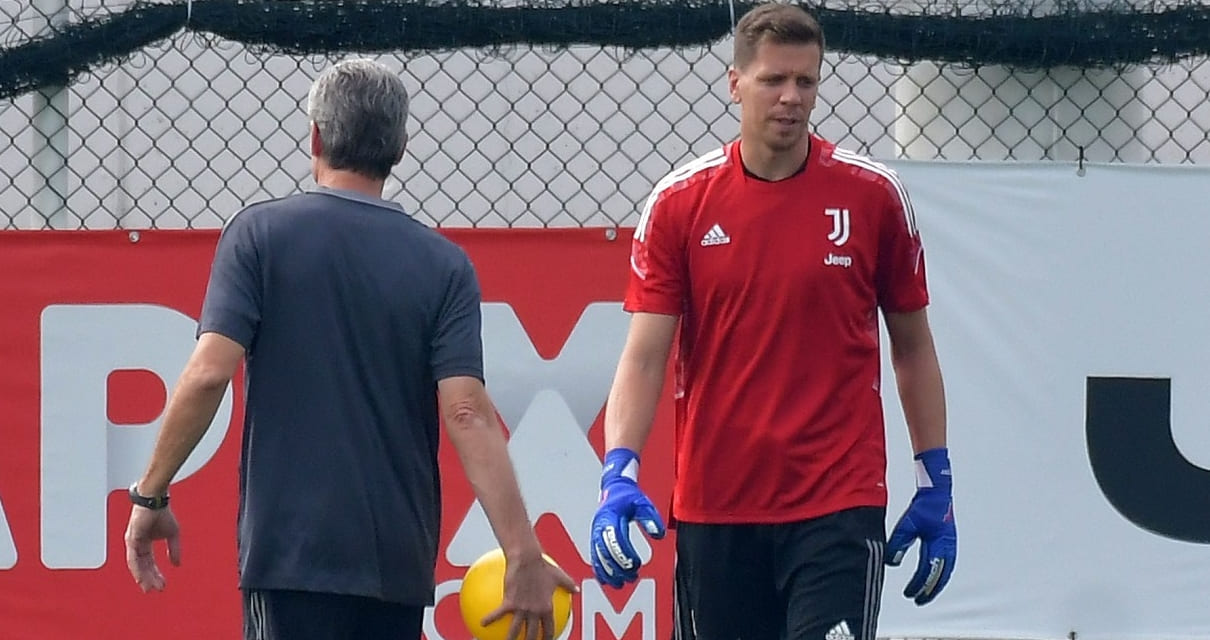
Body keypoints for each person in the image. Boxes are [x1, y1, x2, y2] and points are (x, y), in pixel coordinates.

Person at [124, 58, 575, 640]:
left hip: (292, 559)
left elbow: (210, 372)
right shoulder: (444, 266)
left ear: (315, 136)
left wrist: (150, 493)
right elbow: (467, 412)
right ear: (400, 147)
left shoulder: (259, 235)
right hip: (395, 562)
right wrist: (521, 551)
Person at [588, 5, 956, 640]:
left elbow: (914, 351)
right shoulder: (680, 204)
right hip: (716, 506)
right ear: (736, 83)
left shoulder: (874, 197)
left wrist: (937, 481)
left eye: (806, 82)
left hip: (837, 505)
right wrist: (618, 470)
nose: (791, 97)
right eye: (773, 80)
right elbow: (645, 355)